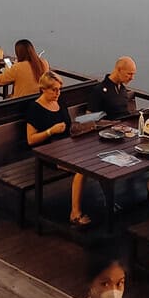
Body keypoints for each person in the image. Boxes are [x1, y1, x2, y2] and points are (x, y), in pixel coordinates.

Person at [25, 72, 88, 225]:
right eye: (53, 90)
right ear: (43, 89)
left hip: (66, 148)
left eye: (59, 89)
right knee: (82, 169)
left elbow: (68, 127)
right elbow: (30, 139)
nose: (57, 93)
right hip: (48, 153)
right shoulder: (35, 108)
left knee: (93, 160)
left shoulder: (60, 103)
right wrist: (50, 131)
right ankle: (75, 213)